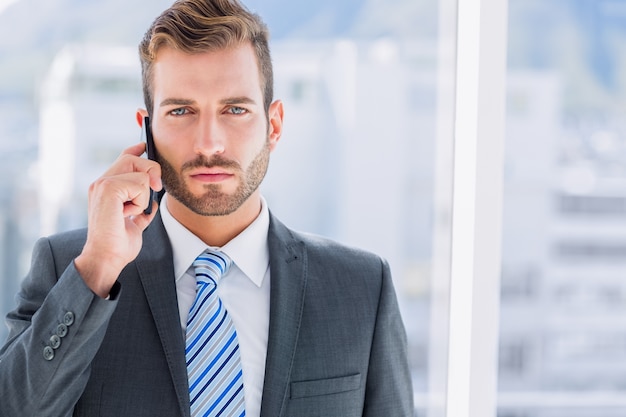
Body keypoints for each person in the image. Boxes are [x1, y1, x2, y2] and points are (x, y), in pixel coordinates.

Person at [0, 0, 414, 415]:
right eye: (181, 111)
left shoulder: (361, 288)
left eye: (235, 109)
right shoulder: (72, 270)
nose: (209, 143)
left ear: (274, 126)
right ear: (148, 129)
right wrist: (96, 269)